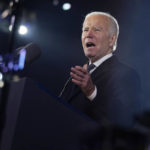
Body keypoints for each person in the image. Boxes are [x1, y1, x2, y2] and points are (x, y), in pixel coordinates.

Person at [60, 11, 141, 128]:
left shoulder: (126, 75)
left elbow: (124, 119)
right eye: (86, 29)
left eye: (97, 29)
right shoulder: (76, 76)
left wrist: (92, 92)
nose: (89, 34)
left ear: (112, 40)